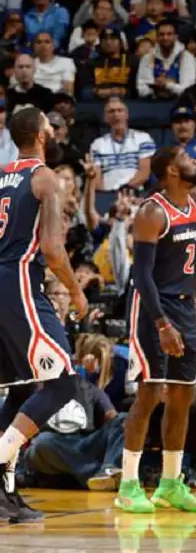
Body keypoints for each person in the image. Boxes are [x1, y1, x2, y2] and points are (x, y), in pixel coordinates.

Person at [115, 146, 196, 513]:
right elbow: (141, 275)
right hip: (153, 309)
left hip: (184, 309)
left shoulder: (194, 209)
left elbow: (195, 271)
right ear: (171, 171)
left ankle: (170, 484)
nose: (194, 158)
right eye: (185, 156)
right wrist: (162, 323)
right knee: (149, 395)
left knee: (182, 397)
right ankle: (128, 485)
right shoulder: (152, 211)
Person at [0, 107, 88, 522]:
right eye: (49, 125)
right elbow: (52, 248)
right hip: (18, 278)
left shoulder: (1, 175)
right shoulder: (44, 177)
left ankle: (6, 493)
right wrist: (75, 290)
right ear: (39, 133)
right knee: (64, 383)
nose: (53, 130)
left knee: (20, 390)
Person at [90, 97, 155, 191]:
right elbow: (96, 178)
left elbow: (144, 172)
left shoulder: (143, 138)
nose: (116, 114)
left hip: (134, 193)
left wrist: (126, 189)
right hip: (107, 194)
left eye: (120, 110)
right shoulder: (97, 144)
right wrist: (104, 196)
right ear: (105, 118)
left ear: (127, 114)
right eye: (111, 111)